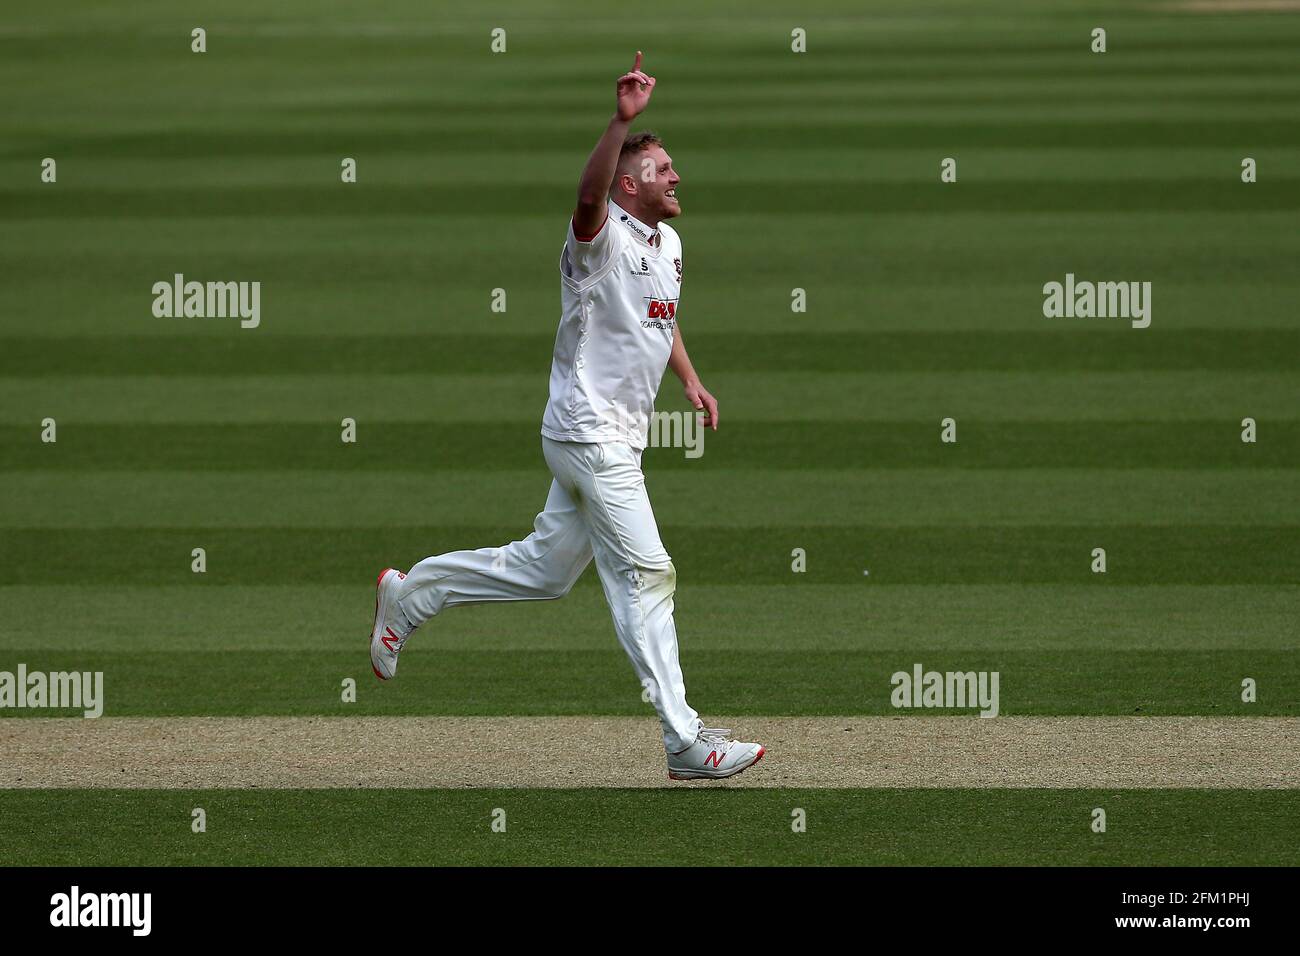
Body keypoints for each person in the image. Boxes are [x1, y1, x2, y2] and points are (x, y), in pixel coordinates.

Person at [368, 52, 764, 781]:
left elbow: (660, 316)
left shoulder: (666, 243)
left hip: (612, 434)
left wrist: (691, 379)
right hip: (589, 433)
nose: (675, 176)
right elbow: (585, 199)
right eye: (662, 168)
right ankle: (684, 741)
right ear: (628, 184)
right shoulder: (599, 238)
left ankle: (411, 592)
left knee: (546, 571)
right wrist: (620, 123)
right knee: (647, 577)